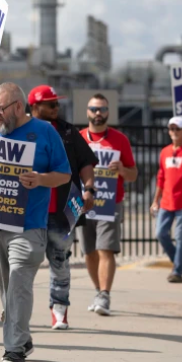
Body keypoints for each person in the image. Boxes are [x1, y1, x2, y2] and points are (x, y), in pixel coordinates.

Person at [0, 83, 71, 362]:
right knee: (6, 288)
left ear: (18, 107)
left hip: (28, 226)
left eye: (1, 109)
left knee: (18, 281)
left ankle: (14, 349)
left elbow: (64, 175)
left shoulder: (45, 133)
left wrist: (41, 179)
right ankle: (22, 334)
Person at [28, 85, 97, 330]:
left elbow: (85, 163)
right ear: (35, 106)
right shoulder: (21, 130)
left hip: (62, 210)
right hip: (29, 210)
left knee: (60, 259)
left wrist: (89, 188)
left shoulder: (68, 132)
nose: (57, 108)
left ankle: (59, 310)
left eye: (57, 104)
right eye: (51, 104)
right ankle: (17, 308)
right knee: (24, 261)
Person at [80, 94, 138, 315]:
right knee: (89, 251)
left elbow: (133, 174)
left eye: (102, 109)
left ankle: (105, 294)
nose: (98, 113)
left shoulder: (120, 139)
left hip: (110, 203)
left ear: (108, 112)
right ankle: (98, 290)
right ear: (87, 111)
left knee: (106, 249)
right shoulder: (80, 138)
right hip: (85, 203)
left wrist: (122, 169)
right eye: (94, 109)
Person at [151, 117, 182, 283]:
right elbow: (161, 178)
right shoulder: (165, 152)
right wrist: (155, 200)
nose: (174, 132)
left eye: (177, 129)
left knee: (181, 237)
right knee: (160, 233)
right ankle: (179, 261)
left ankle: (177, 271)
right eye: (171, 129)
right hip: (166, 202)